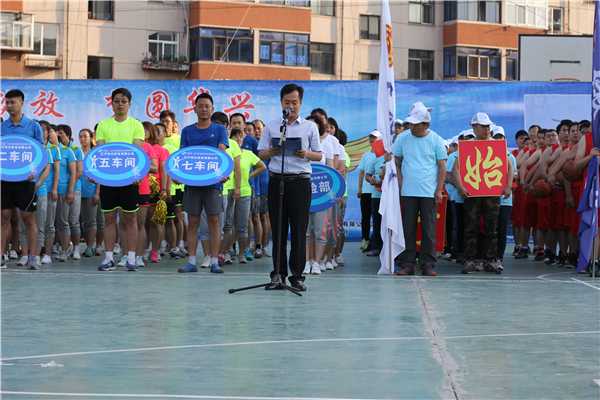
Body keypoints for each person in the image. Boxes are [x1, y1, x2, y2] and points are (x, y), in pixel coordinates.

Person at [258, 83, 322, 291]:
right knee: (278, 230)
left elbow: (319, 155)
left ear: (300, 103)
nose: (291, 106)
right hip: (277, 181)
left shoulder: (310, 127)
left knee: (298, 230)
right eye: (287, 102)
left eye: (294, 102)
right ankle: (278, 274)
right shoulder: (272, 126)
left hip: (300, 182)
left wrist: (306, 154)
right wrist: (273, 151)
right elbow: (261, 153)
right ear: (281, 103)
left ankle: (297, 276)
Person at [393, 102, 447, 277]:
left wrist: (439, 189)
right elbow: (396, 161)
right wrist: (400, 182)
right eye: (411, 124)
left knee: (428, 229)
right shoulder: (403, 138)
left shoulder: (436, 140)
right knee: (407, 229)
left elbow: (442, 167)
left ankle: (428, 264)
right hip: (408, 191)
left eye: (416, 124)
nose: (412, 127)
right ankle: (407, 263)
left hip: (428, 192)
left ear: (426, 124)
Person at [454, 113, 512, 274]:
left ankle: (491, 259)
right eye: (483, 126)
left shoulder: (497, 145)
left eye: (488, 126)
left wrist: (508, 186)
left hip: (492, 193)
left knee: (491, 227)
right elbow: (456, 169)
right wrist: (460, 187)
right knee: (470, 226)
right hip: (472, 193)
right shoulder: (467, 146)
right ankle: (470, 259)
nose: (486, 129)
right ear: (474, 127)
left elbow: (509, 166)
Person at [178, 93, 229, 274]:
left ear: (212, 109)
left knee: (214, 221)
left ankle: (214, 261)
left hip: (213, 184)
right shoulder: (187, 131)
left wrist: (222, 173)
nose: (204, 109)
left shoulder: (220, 130)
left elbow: (222, 153)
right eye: (200, 106)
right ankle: (191, 261)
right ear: (195, 109)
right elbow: (182, 156)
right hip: (192, 184)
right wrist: (178, 175)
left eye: (207, 106)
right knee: (193, 221)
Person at [95, 87, 145, 272]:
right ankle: (108, 258)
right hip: (108, 180)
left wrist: (136, 176)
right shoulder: (103, 125)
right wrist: (97, 175)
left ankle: (131, 257)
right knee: (108, 219)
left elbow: (137, 152)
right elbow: (99, 152)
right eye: (116, 101)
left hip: (129, 181)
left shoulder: (136, 125)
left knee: (130, 219)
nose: (120, 104)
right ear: (112, 103)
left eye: (124, 101)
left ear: (129, 104)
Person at [0, 90, 44, 269]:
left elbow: (41, 153)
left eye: (13, 102)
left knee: (28, 218)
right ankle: (1, 256)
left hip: (26, 180)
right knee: (4, 217)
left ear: (22, 102)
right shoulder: (2, 127)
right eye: (7, 102)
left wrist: (35, 172)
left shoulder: (33, 126)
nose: (10, 106)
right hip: (5, 179)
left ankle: (33, 257)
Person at [229, 127, 266, 263]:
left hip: (245, 192)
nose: (238, 140)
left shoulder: (248, 153)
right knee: (229, 225)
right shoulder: (227, 153)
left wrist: (250, 175)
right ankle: (227, 252)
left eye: (240, 137)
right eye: (235, 137)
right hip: (229, 191)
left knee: (243, 226)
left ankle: (242, 253)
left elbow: (262, 166)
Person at [56, 124, 83, 261]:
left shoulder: (76, 150)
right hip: (61, 190)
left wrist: (70, 187)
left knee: (74, 221)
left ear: (67, 134)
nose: (58, 135)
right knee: (63, 221)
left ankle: (77, 248)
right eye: (57, 133)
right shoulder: (57, 150)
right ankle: (65, 248)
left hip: (74, 189)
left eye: (61, 133)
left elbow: (79, 171)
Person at [356, 131, 380, 252]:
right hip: (366, 191)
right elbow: (361, 173)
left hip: (378, 192)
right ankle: (365, 240)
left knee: (377, 218)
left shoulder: (382, 155)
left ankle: (376, 242)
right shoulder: (366, 155)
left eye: (374, 138)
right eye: (371, 138)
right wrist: (360, 188)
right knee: (365, 217)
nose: (372, 140)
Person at [79, 129, 100, 257]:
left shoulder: (95, 154)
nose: (83, 139)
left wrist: (97, 192)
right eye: (80, 137)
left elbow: (100, 175)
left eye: (85, 136)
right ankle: (86, 245)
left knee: (91, 221)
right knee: (82, 221)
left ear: (91, 138)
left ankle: (90, 246)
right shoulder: (77, 152)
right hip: (78, 190)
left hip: (91, 191)